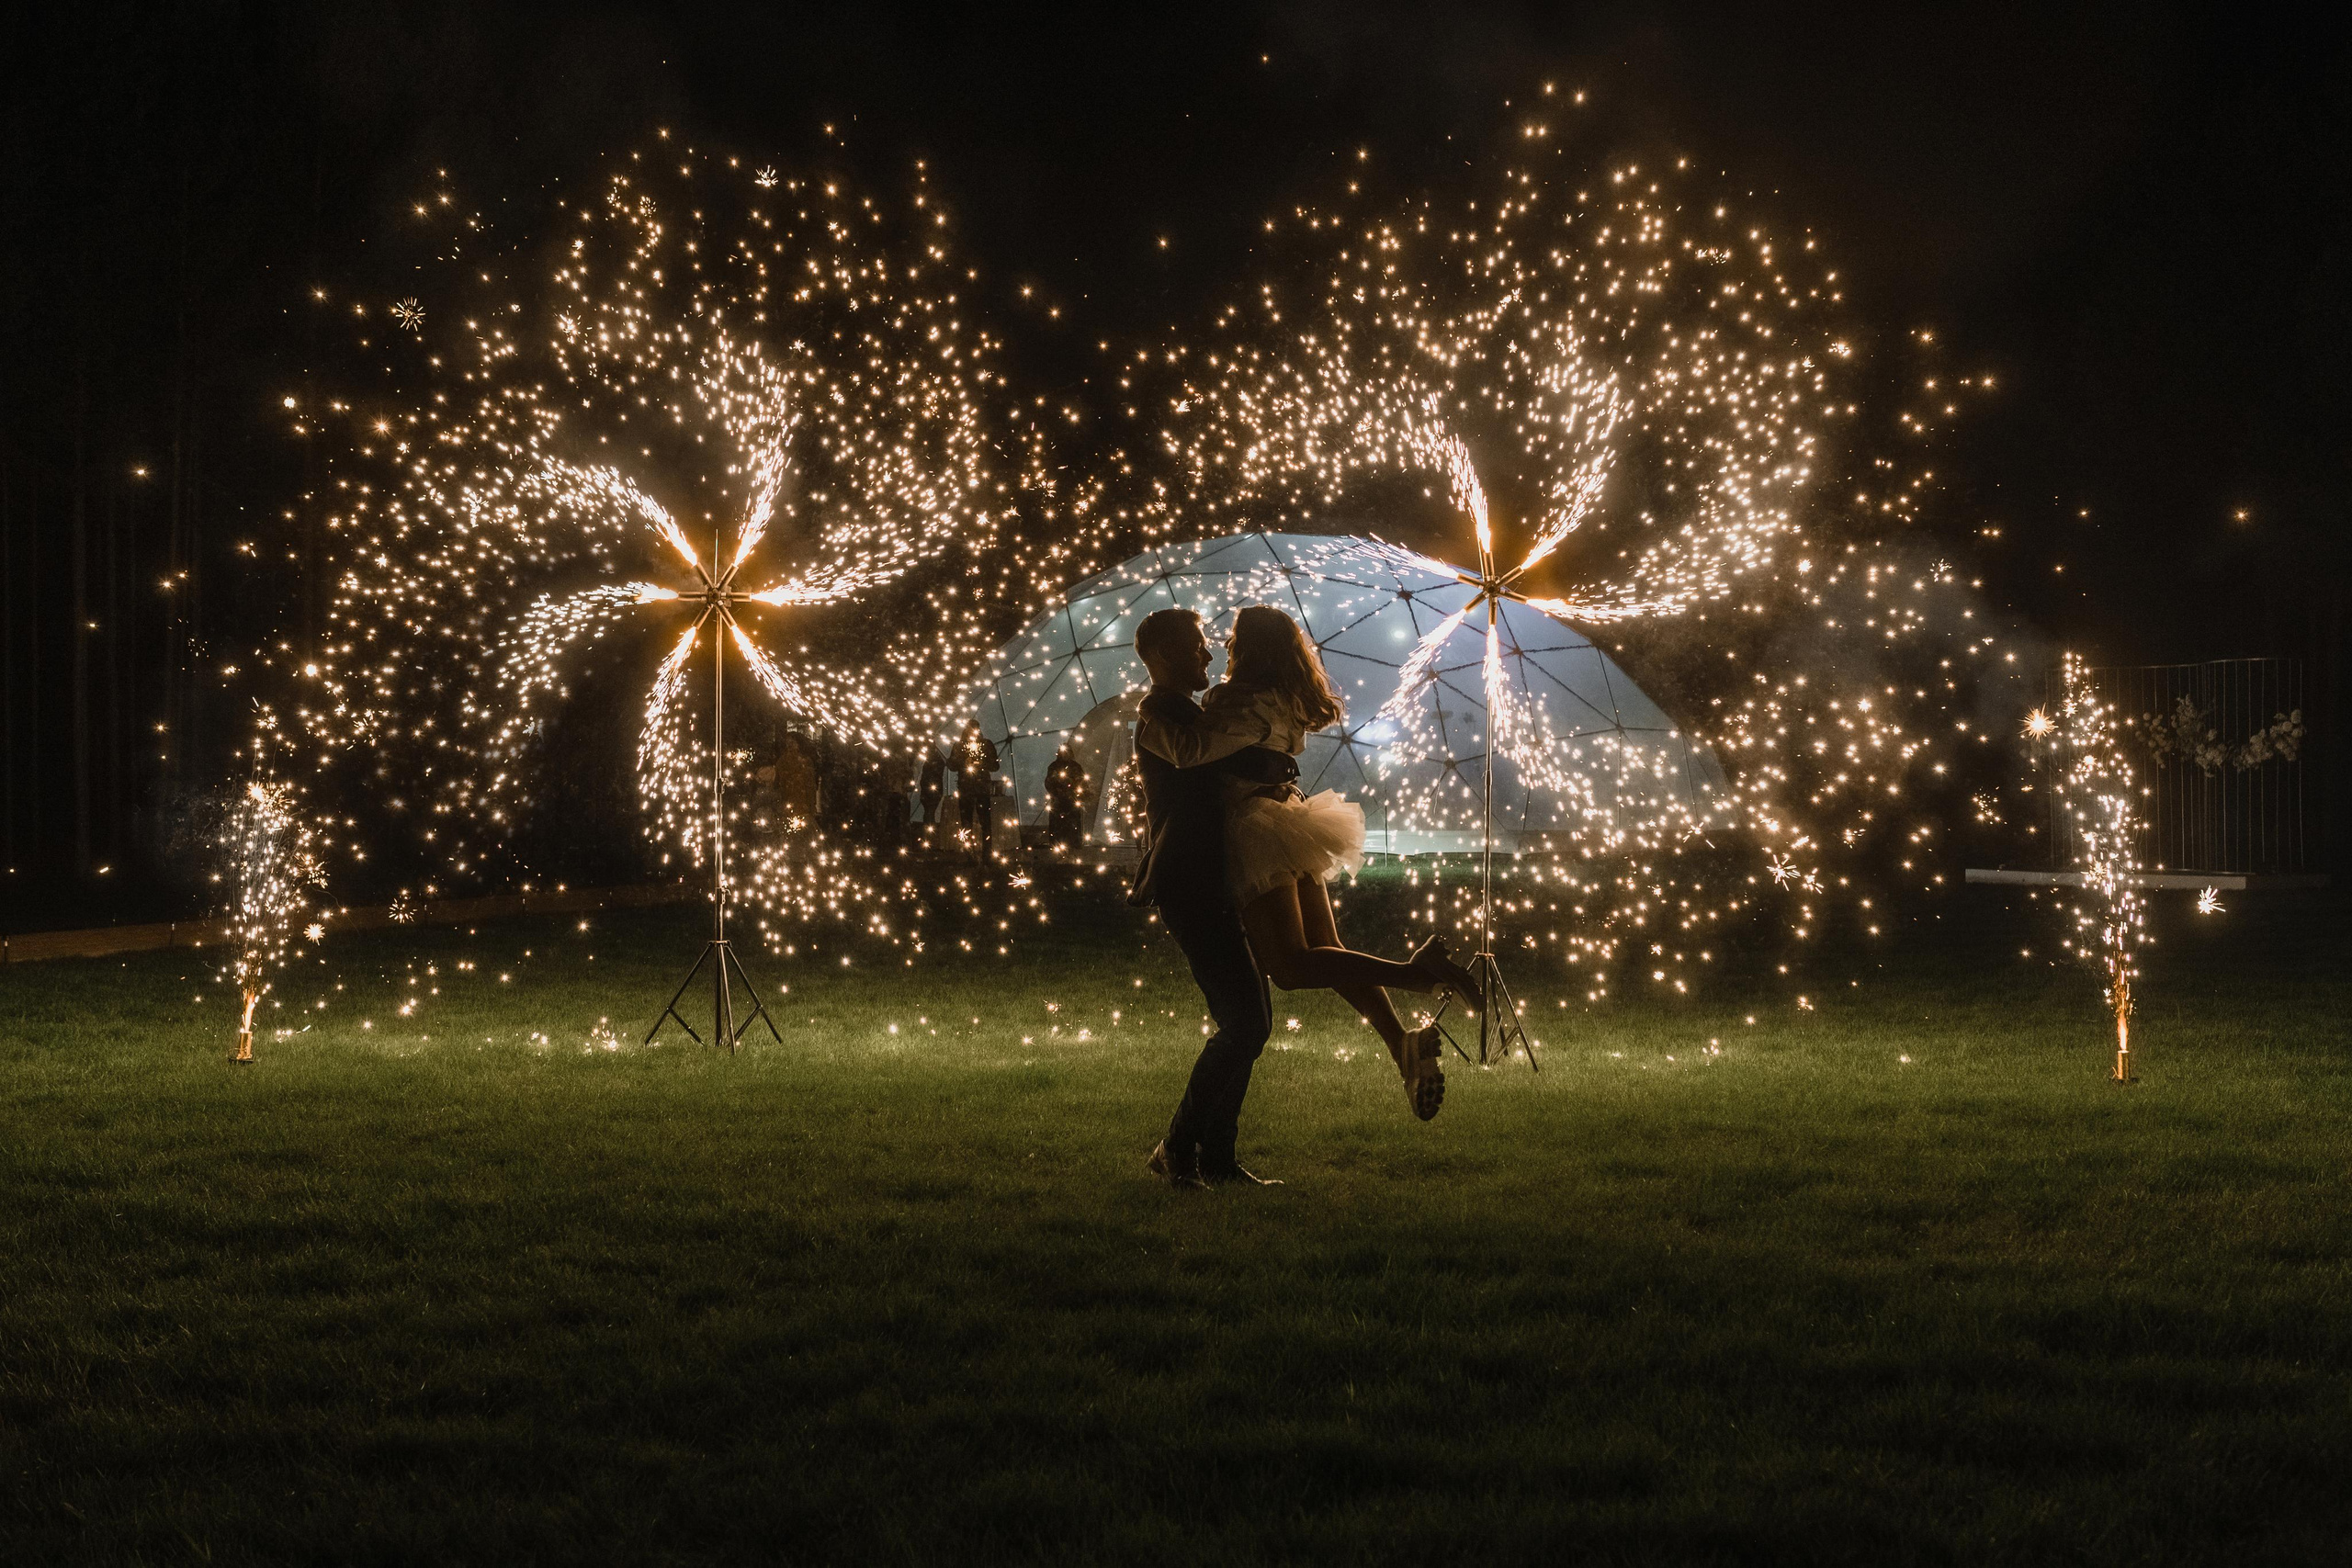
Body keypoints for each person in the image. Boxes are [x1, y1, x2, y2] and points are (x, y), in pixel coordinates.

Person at [1138, 604, 1479, 1132]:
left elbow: (1194, 749)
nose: (1218, 649)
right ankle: (1401, 1044)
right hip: (1292, 820)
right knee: (1326, 949)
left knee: (1293, 968)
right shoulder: (1281, 699)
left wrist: (1152, 708)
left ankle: (1415, 974)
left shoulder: (1236, 701)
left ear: (1250, 649)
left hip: (1256, 830)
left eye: (1230, 641)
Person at [1130, 607, 1305, 1188]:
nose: (1209, 655)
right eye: (1197, 645)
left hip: (1216, 876)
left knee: (1252, 1021)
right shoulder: (1161, 716)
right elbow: (1198, 753)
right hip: (1189, 880)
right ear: (1163, 654)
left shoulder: (1194, 714)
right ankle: (1179, 1148)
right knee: (1246, 1022)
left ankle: (1217, 1158)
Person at [954, 721, 1001, 863]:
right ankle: (970, 855)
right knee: (966, 823)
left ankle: (987, 855)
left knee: (984, 822)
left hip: (981, 789)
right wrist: (963, 762)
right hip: (966, 788)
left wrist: (982, 763)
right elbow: (951, 765)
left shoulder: (986, 745)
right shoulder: (959, 746)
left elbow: (995, 766)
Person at [1044, 744, 1089, 851]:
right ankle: (1058, 844)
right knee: (1058, 824)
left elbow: (1082, 782)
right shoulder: (1054, 767)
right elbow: (1049, 783)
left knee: (1072, 824)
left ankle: (1072, 844)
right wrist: (1057, 792)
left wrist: (1075, 792)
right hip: (1059, 801)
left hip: (1071, 801)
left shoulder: (1075, 767)